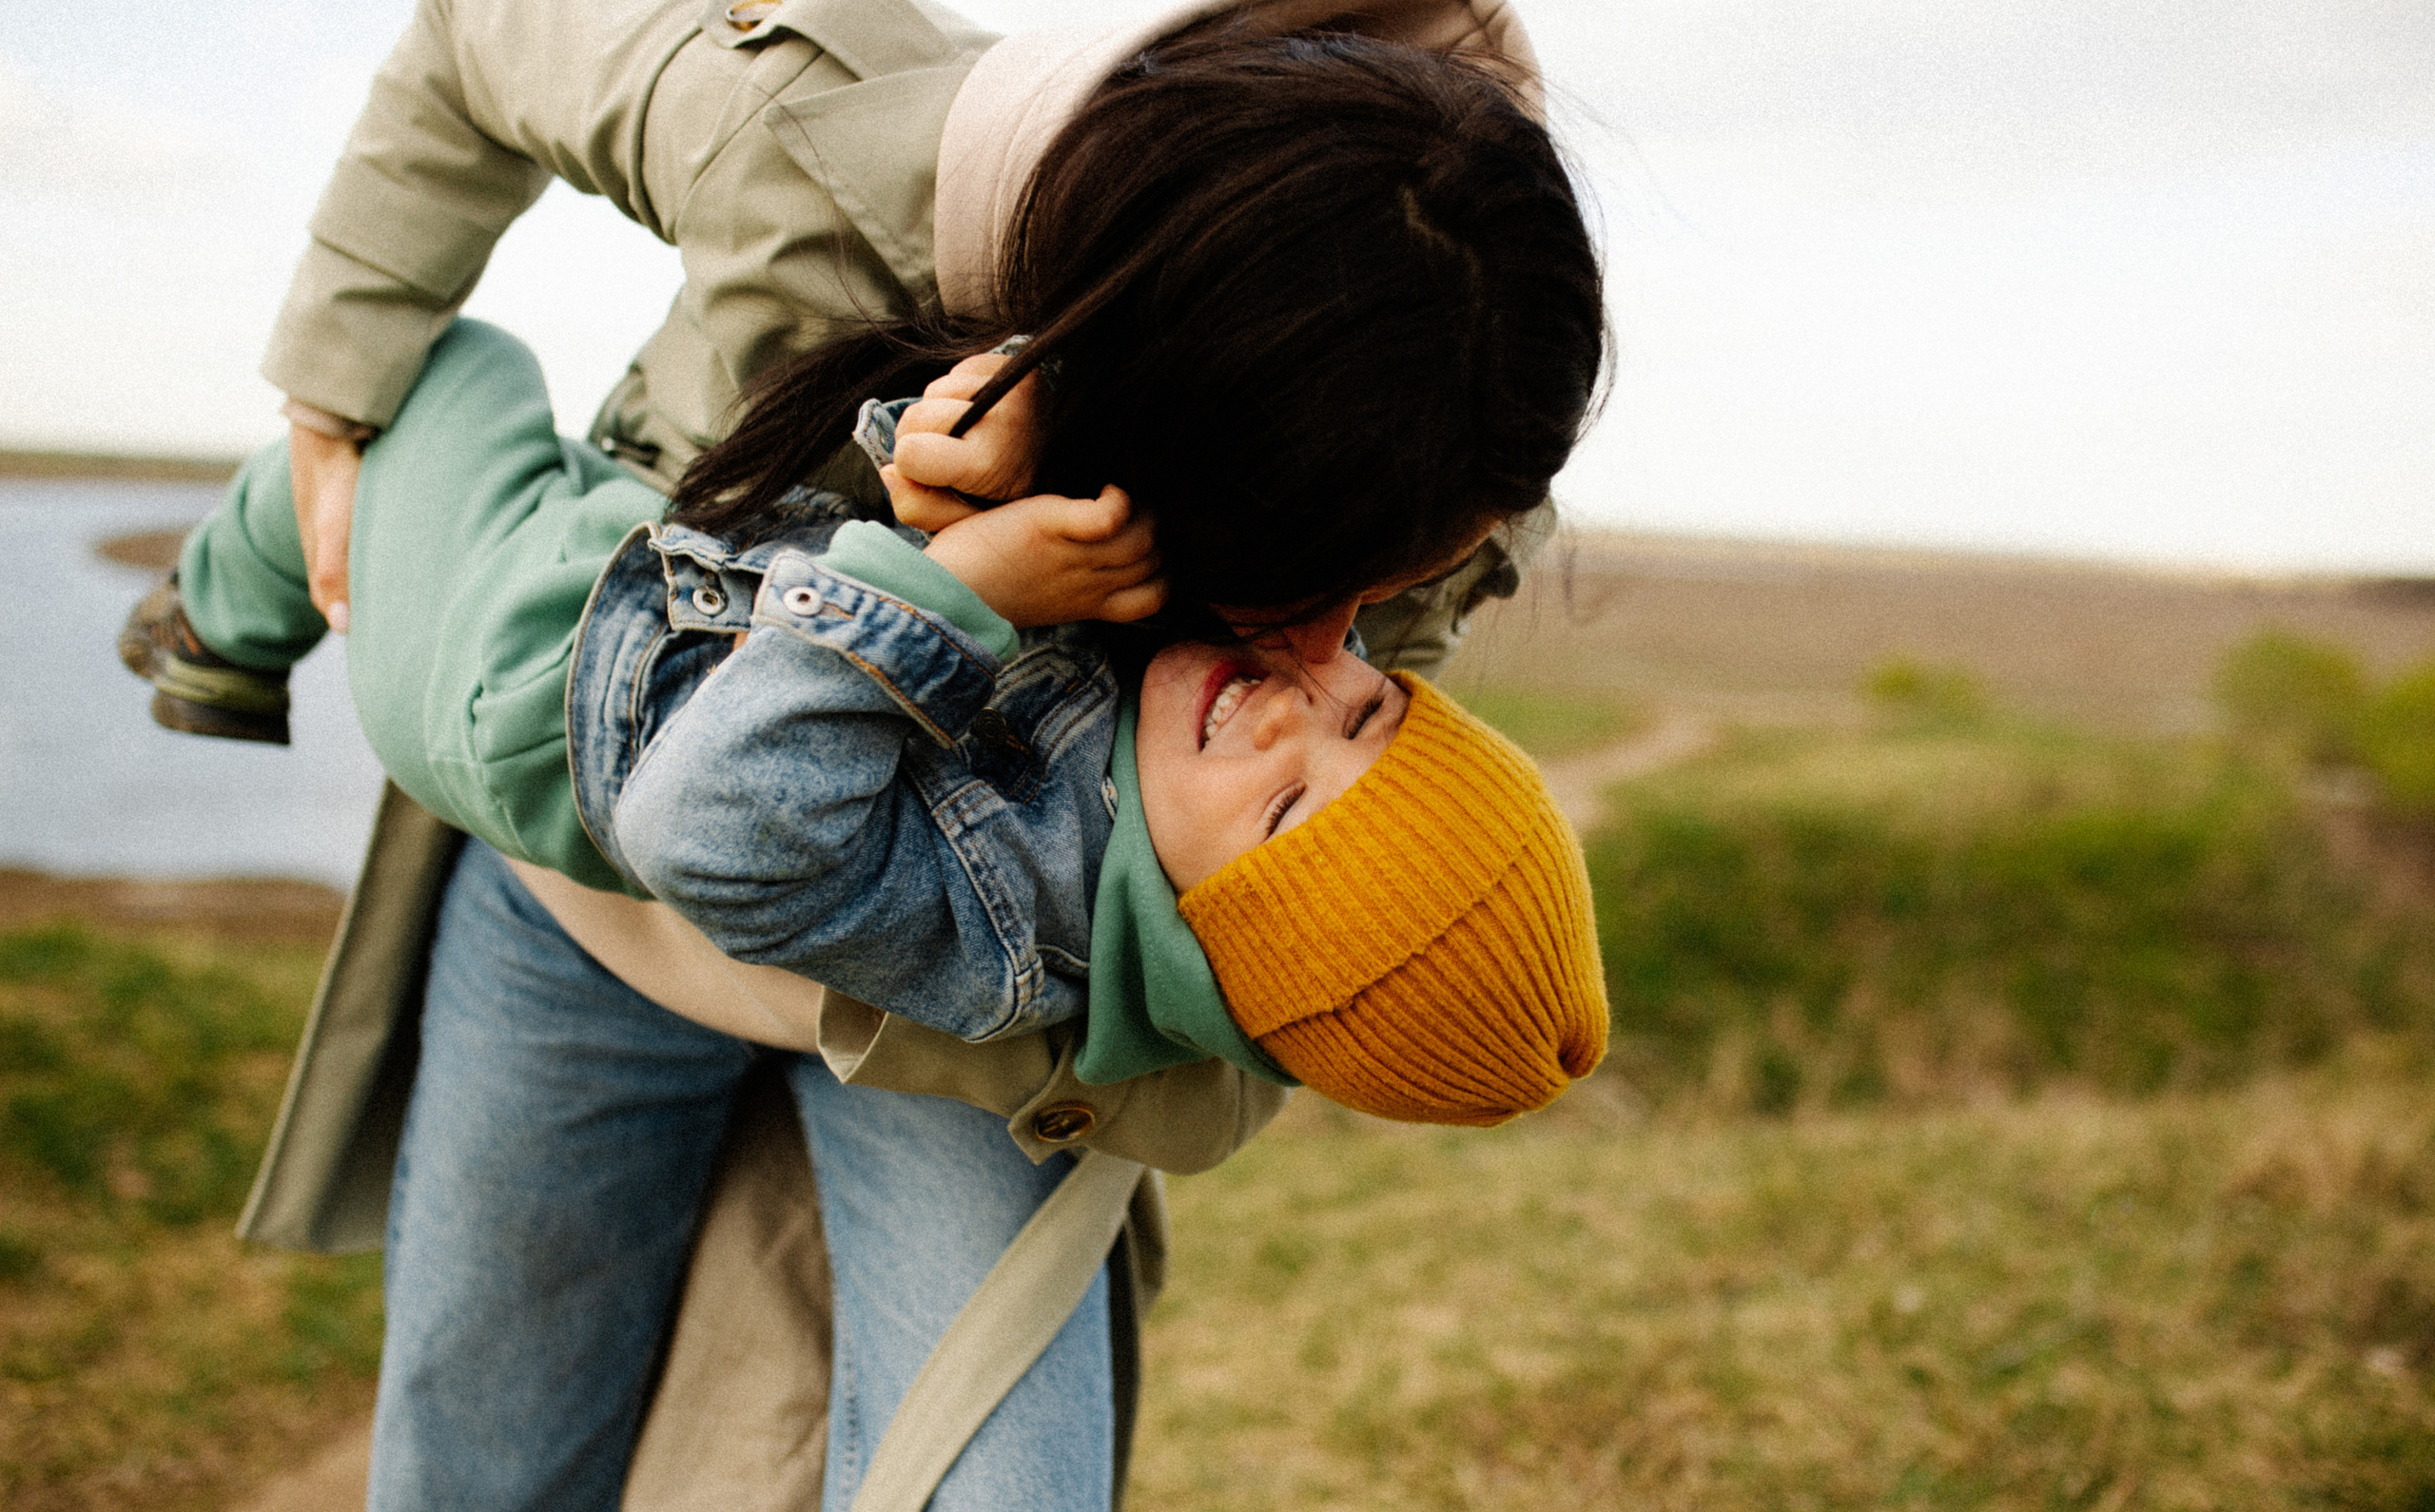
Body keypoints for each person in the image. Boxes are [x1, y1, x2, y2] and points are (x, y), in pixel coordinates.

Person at [177, 0, 1607, 1512]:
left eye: (1390, 594)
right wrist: (329, 409)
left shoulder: (1454, 407)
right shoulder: (816, 136)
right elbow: (481, 12)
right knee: (483, 1456)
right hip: (589, 901)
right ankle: (241, 578)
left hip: (978, 1033)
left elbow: (1316, 918)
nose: (1327, 653)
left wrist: (958, 587)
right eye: (1298, 585)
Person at [129, 317, 1607, 1124]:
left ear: (1221, 939)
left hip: (518, 679)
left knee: (448, 371)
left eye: (1288, 811)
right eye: (1368, 712)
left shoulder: (1008, 933)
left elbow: (706, 830)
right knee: (465, 440)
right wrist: (961, 455)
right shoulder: (1158, 769)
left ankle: (225, 614)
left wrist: (960, 585)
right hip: (639, 578)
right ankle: (271, 571)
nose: (1291, 716)